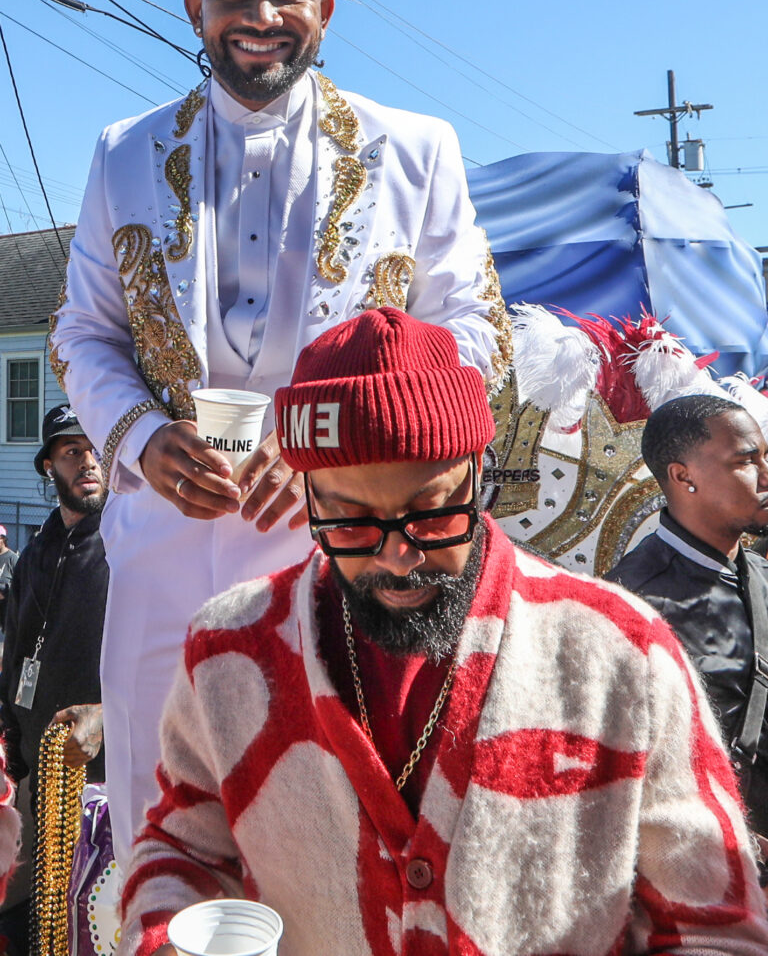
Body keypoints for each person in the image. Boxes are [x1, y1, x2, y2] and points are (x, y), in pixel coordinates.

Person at [49, 0, 510, 864]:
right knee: (157, 803)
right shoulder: (121, 151)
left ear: (327, 11)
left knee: (331, 807)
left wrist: (329, 440)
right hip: (161, 542)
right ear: (194, 9)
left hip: (343, 541)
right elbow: (81, 333)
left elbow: (478, 333)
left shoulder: (416, 150)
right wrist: (137, 436)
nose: (259, 13)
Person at [118, 310, 767, 956]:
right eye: (349, 523)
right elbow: (179, 851)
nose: (397, 557)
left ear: (478, 473)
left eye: (431, 515)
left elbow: (718, 928)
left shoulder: (625, 654)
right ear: (308, 498)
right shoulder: (230, 650)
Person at [607, 394, 768, 877]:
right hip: (706, 883)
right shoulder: (628, 605)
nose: (765, 475)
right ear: (683, 477)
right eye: (746, 461)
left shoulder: (761, 572)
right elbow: (621, 773)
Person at [0, 405, 109, 806]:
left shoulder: (127, 545)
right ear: (49, 467)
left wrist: (107, 717)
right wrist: (12, 752)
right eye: (72, 452)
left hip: (106, 782)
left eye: (96, 450)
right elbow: (15, 653)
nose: (88, 463)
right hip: (40, 778)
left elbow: (160, 661)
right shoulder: (34, 553)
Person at [0, 528, 18, 632]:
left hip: (6, 604)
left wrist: (4, 592)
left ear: (3, 539)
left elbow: (19, 583)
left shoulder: (12, 558)